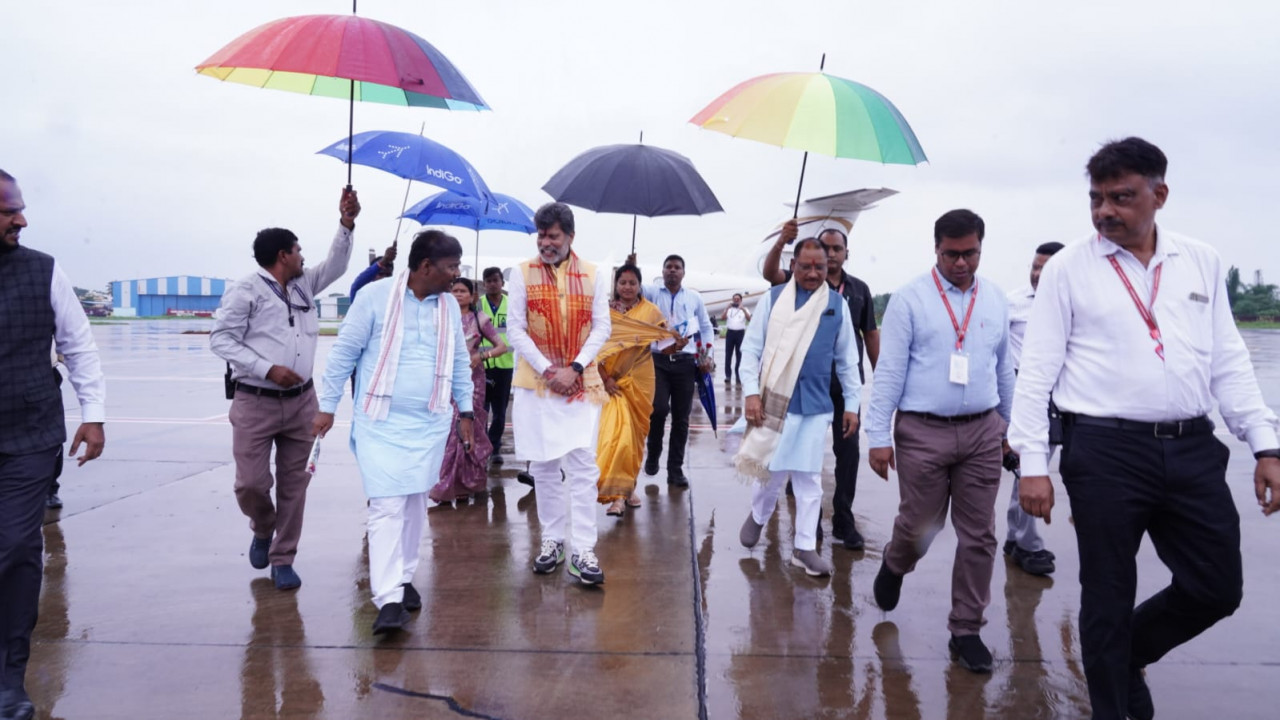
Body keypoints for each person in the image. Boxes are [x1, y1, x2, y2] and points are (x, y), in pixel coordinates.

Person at [1010, 137, 1280, 720]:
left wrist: (1264, 444)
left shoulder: (1200, 261)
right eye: (1097, 198)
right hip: (1104, 452)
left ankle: (1126, 655)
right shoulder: (1067, 269)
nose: (1105, 210)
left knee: (1216, 587)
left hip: (1190, 447)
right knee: (1106, 596)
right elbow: (1036, 372)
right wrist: (1033, 464)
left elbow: (1228, 360)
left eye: (1122, 197)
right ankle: (1112, 704)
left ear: (1159, 195)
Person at [865, 209, 1014, 675]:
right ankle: (895, 563)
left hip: (982, 430)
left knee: (980, 534)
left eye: (970, 253)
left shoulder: (995, 299)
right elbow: (889, 370)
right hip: (922, 431)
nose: (962, 263)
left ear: (980, 249)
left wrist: (1011, 428)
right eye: (952, 254)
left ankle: (966, 629)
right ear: (937, 250)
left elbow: (1004, 367)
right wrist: (877, 435)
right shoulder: (911, 300)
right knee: (919, 528)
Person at [313, 229, 473, 635]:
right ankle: (387, 599)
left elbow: (457, 360)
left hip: (429, 422)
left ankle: (403, 577)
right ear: (424, 266)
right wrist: (327, 406)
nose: (456, 276)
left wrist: (466, 409)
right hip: (380, 423)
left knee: (417, 502)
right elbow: (343, 356)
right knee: (387, 505)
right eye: (451, 267)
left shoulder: (448, 308)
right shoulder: (374, 298)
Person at [210, 188, 361, 591]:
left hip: (301, 404)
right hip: (255, 401)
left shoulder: (303, 286)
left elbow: (338, 265)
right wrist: (266, 368)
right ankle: (263, 526)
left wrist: (346, 223)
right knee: (251, 485)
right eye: (298, 250)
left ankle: (283, 558)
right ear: (282, 255)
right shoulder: (246, 290)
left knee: (296, 485)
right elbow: (221, 340)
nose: (303, 257)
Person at [1, 169, 106, 720]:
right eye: (7, 211)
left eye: (18, 207)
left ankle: (9, 679)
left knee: (18, 549)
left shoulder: (44, 271)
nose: (21, 219)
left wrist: (94, 415)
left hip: (29, 434)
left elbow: (79, 346)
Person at [735, 239, 861, 577]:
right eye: (805, 266)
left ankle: (804, 547)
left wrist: (852, 405)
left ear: (828, 267)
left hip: (815, 405)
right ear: (793, 266)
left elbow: (849, 361)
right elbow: (750, 351)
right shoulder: (774, 300)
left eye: (819, 267)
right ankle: (760, 515)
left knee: (809, 480)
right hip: (775, 402)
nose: (812, 272)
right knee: (771, 473)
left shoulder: (836, 305)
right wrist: (750, 393)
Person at [505, 202, 612, 585]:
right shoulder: (521, 273)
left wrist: (575, 369)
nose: (545, 243)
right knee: (545, 467)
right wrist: (550, 371)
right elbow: (515, 329)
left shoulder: (595, 275)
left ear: (570, 237)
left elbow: (602, 327)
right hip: (537, 385)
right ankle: (552, 540)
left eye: (553, 236)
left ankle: (584, 548)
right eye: (541, 235)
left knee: (583, 467)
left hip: (582, 385)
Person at [763, 221, 880, 550]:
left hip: (843, 386)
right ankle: (808, 524)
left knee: (849, 453)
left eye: (836, 249)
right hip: (803, 385)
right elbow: (770, 273)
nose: (830, 254)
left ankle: (843, 517)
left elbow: (869, 333)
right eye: (824, 248)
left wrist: (879, 376)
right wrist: (781, 243)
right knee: (802, 458)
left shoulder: (858, 290)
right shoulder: (798, 284)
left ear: (845, 254)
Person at [1001, 241, 1064, 576]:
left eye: (1046, 268)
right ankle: (1028, 543)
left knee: (1035, 470)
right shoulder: (1012, 304)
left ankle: (1015, 537)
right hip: (1023, 391)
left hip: (1063, 396)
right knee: (1028, 467)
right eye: (1035, 267)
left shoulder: (1075, 304)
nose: (1038, 274)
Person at [595, 264, 671, 516]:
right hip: (612, 381)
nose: (627, 287)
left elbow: (666, 346)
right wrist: (605, 379)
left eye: (632, 283)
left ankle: (628, 488)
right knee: (618, 438)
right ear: (615, 286)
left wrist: (678, 342)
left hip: (641, 379)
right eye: (623, 283)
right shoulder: (605, 313)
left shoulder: (651, 312)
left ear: (640, 286)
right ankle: (617, 496)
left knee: (636, 439)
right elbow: (595, 352)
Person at [430, 277, 509, 505]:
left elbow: (501, 346)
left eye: (463, 291)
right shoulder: (442, 318)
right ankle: (445, 482)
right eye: (454, 290)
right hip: (445, 379)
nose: (458, 295)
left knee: (465, 429)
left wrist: (479, 356)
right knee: (446, 431)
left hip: (472, 381)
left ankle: (466, 483)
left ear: (473, 296)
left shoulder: (479, 318)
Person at [642, 255, 715, 487]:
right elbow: (630, 285)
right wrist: (631, 264)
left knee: (681, 418)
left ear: (683, 272)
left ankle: (675, 470)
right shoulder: (652, 293)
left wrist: (706, 355)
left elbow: (705, 327)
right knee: (658, 410)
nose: (672, 271)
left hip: (685, 362)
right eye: (668, 267)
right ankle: (653, 455)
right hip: (658, 360)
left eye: (677, 268)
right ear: (662, 271)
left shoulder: (694, 297)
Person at [479, 267, 515, 466]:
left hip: (504, 364)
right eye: (488, 280)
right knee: (481, 410)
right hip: (482, 364)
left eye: (495, 280)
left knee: (500, 411)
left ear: (502, 282)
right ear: (484, 284)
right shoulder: (478, 304)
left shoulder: (512, 305)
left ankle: (495, 446)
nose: (492, 284)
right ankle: (483, 447)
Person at [721, 293, 751, 384]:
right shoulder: (729, 310)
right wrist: (727, 308)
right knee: (728, 355)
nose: (736, 301)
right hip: (730, 333)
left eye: (738, 299)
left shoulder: (745, 309)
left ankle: (738, 375)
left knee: (739, 355)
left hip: (740, 334)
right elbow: (722, 318)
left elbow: (749, 319)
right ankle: (728, 376)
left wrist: (743, 309)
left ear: (741, 300)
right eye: (734, 299)